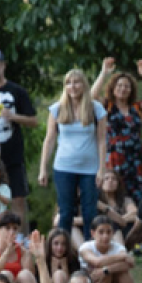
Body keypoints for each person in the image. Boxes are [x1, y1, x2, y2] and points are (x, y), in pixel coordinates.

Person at [39, 69, 107, 240]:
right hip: (63, 166)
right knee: (66, 211)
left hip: (89, 168)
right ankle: (63, 254)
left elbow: (101, 140)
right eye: (68, 83)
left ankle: (89, 253)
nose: (73, 86)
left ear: (84, 85)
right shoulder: (57, 109)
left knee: (90, 211)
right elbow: (49, 139)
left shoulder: (96, 108)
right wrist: (43, 169)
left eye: (76, 82)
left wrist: (102, 170)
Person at [0, 48, 38, 222]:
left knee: (17, 198)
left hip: (12, 154)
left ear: (3, 65)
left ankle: (18, 239)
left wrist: (13, 116)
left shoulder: (17, 91)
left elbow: (34, 121)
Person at [92, 59, 142, 203]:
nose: (123, 89)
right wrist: (104, 73)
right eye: (119, 85)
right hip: (114, 157)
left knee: (138, 195)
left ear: (131, 90)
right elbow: (92, 96)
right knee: (115, 194)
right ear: (113, 88)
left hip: (135, 158)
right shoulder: (107, 106)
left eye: (127, 86)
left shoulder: (137, 107)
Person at [81, 215, 137, 283]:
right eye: (101, 232)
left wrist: (106, 270)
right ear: (93, 233)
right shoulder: (86, 248)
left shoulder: (118, 248)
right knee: (105, 276)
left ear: (113, 234)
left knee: (122, 273)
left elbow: (129, 264)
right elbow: (97, 262)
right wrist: (122, 257)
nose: (105, 236)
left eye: (108, 232)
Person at [96, 169, 139, 246]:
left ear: (118, 184)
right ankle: (121, 251)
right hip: (104, 234)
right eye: (106, 178)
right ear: (101, 183)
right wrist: (119, 220)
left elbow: (134, 213)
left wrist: (118, 219)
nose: (110, 181)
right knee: (112, 224)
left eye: (114, 179)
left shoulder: (125, 199)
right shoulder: (98, 202)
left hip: (126, 232)